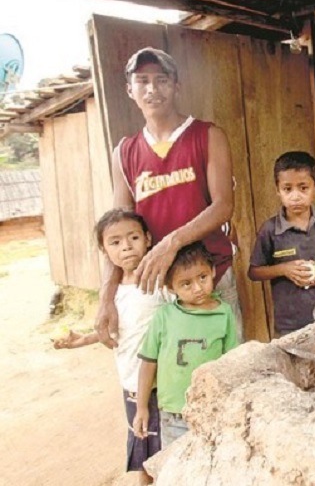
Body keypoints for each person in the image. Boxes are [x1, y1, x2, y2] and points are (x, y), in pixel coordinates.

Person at [94, 46, 242, 348]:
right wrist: (107, 295)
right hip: (158, 284)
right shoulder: (124, 152)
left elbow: (223, 206)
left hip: (210, 275)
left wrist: (171, 243)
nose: (152, 88)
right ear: (129, 90)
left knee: (229, 371)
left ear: (176, 86)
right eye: (142, 80)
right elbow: (117, 231)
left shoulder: (208, 135)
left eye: (162, 79)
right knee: (171, 378)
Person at [53, 209, 163, 486]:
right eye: (115, 242)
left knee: (167, 445)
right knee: (143, 445)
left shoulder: (161, 282)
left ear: (148, 239)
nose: (126, 246)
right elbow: (118, 333)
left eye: (133, 237)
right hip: (131, 382)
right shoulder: (114, 295)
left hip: (164, 381)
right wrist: (83, 339)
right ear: (105, 251)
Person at [133, 242, 238, 448]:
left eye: (203, 277)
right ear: (170, 288)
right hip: (174, 414)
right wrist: (141, 407)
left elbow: (231, 361)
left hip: (212, 409)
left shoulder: (224, 313)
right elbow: (148, 362)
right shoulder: (165, 316)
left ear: (213, 271)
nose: (198, 288)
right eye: (186, 284)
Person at [248, 151, 315, 336]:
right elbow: (254, 272)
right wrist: (283, 269)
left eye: (303, 188)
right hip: (288, 326)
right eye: (288, 189)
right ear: (277, 190)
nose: (295, 196)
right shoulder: (271, 230)